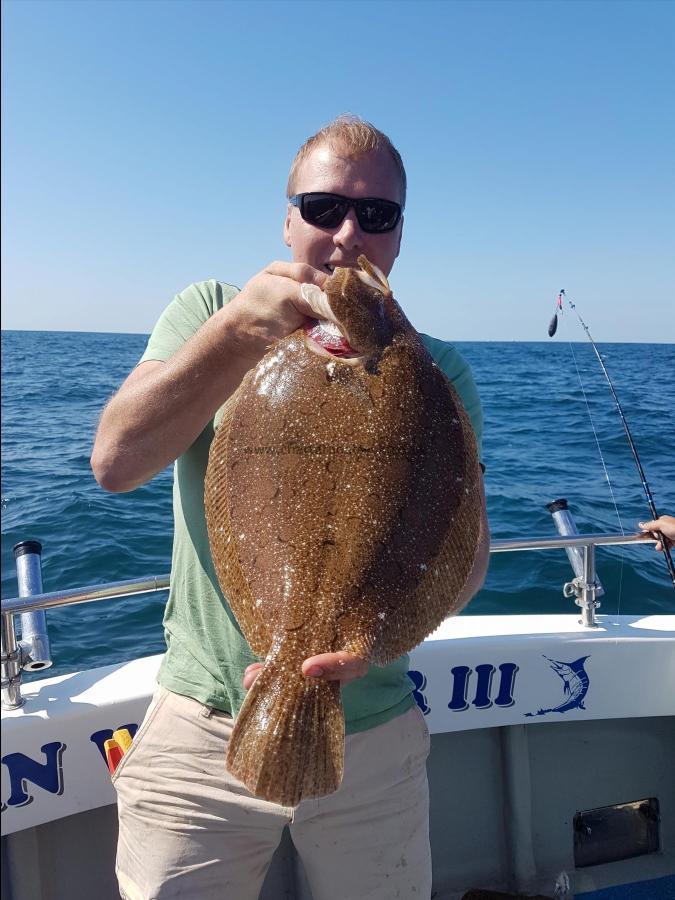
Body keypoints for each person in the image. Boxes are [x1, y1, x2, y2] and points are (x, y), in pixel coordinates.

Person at [91, 115, 490, 900]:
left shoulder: (435, 370)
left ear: (400, 235)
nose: (348, 234)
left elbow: (463, 556)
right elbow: (116, 463)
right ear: (286, 218)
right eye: (323, 208)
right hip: (202, 724)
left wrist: (372, 644)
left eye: (376, 215)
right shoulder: (211, 311)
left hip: (374, 734)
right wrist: (238, 333)